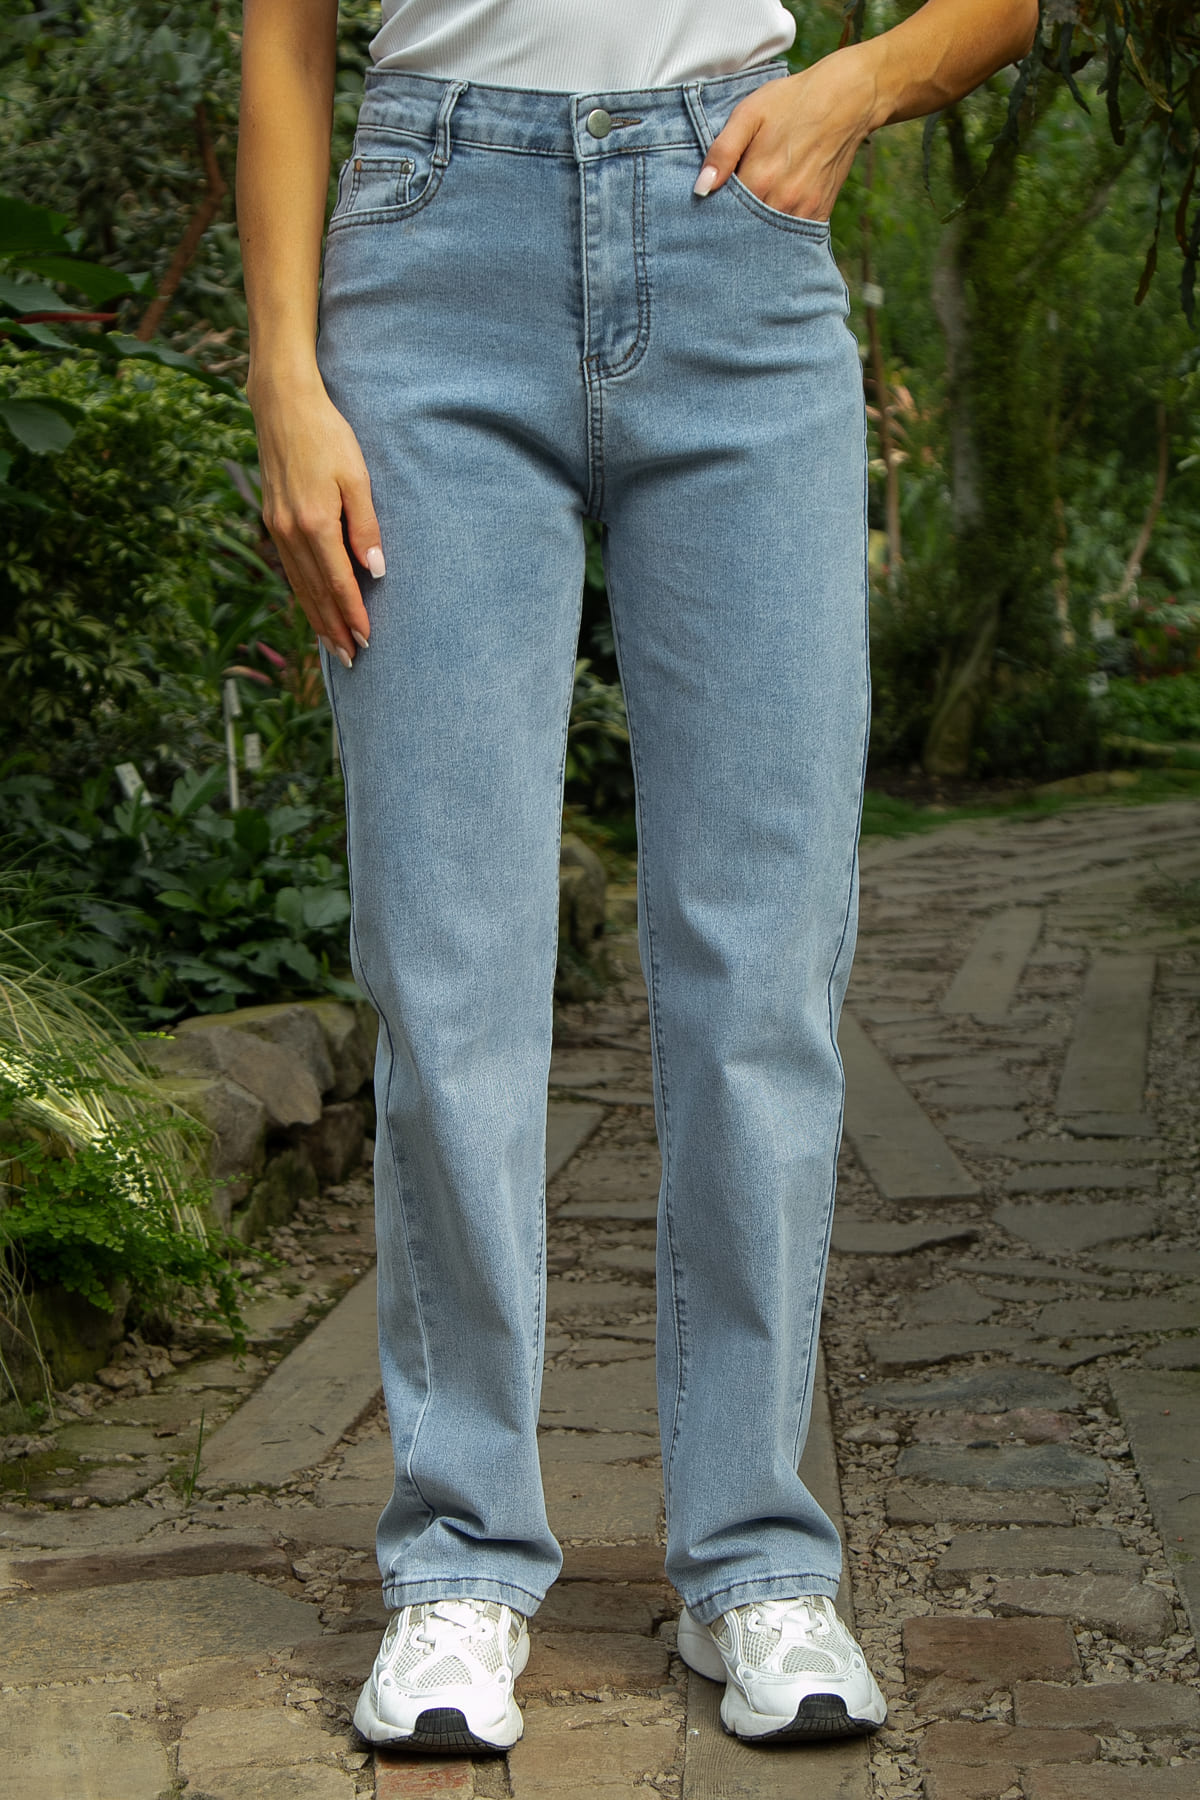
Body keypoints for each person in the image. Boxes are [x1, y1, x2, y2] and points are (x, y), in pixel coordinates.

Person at [237, 0, 1039, 1758]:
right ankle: (459, 1561)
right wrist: (284, 376)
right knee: (448, 975)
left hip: (736, 237)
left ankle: (757, 1558)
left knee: (762, 973)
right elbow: (283, 32)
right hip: (429, 263)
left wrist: (859, 86)